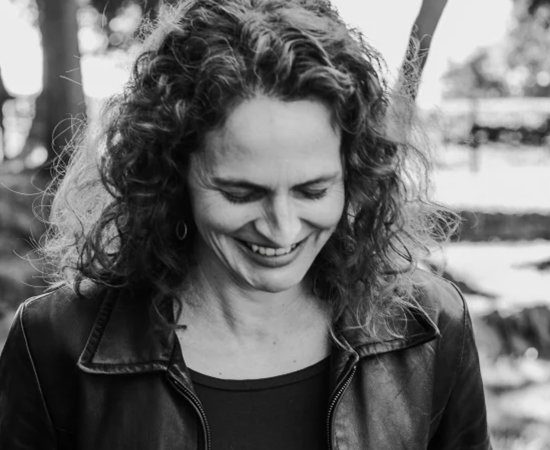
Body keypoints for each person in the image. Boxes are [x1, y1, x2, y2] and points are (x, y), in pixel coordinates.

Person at [0, 0, 491, 448]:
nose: (281, 229)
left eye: (313, 191)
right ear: (171, 172)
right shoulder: (56, 341)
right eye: (240, 193)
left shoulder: (431, 328)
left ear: (356, 175)